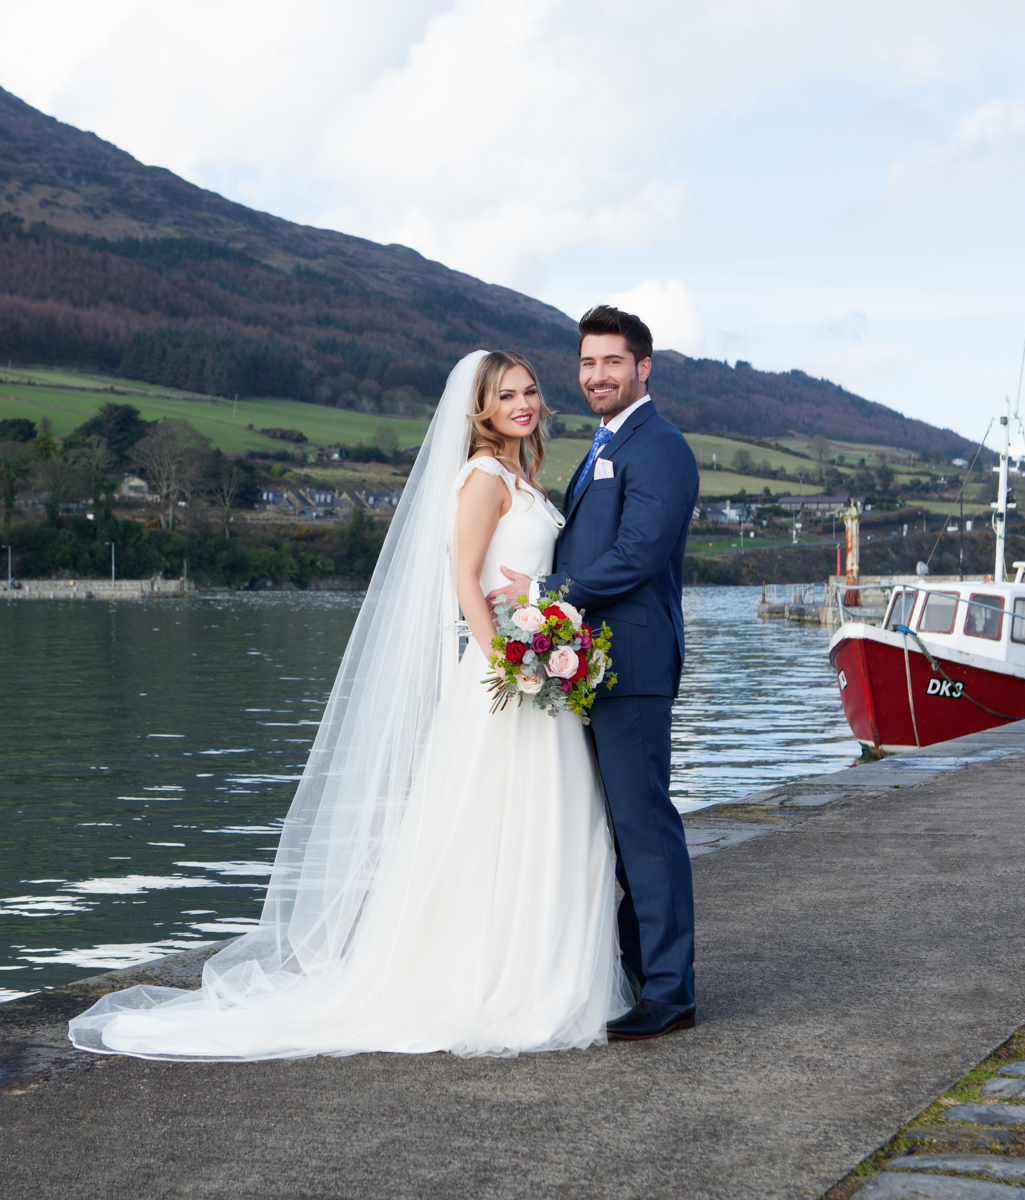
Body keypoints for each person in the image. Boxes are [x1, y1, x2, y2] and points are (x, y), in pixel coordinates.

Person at [69, 350, 630, 1060]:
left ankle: (541, 974)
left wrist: (540, 618)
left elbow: (524, 574)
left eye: (530, 392)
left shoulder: (521, 475)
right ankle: (492, 980)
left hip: (534, 664)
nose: (524, 404)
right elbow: (463, 577)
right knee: (495, 826)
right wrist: (504, 661)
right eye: (507, 395)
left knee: (544, 823)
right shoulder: (484, 477)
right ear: (481, 410)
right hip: (504, 676)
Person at [488, 305, 701, 1040]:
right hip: (590, 666)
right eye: (586, 363)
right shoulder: (605, 443)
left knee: (644, 826)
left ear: (644, 368)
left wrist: (547, 597)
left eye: (612, 362)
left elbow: (640, 553)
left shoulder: (660, 446)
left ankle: (671, 991)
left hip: (633, 663)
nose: (597, 375)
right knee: (615, 827)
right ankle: (638, 972)